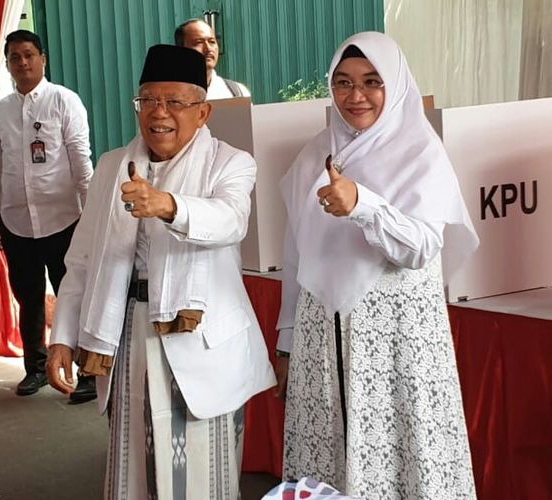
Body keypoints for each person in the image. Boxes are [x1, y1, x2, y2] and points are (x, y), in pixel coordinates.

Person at [47, 44, 275, 499]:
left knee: (201, 479)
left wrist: (168, 206)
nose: (159, 113)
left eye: (174, 102)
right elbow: (83, 261)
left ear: (203, 111)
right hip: (128, 331)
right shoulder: (113, 166)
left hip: (202, 342)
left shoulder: (231, 162)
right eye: (148, 100)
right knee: (134, 470)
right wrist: (62, 337)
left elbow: (231, 221)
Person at [275, 31, 479, 499]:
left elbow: (422, 247)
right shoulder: (315, 154)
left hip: (397, 342)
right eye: (342, 83)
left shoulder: (420, 153)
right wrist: (287, 342)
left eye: (371, 81)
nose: (356, 96)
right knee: (328, 454)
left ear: (395, 84)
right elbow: (295, 255)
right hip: (322, 339)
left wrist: (363, 204)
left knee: (405, 457)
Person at [0, 29, 95, 398]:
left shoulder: (64, 101)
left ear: (43, 58)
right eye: (15, 57)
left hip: (65, 218)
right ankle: (34, 367)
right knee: (28, 296)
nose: (23, 62)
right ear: (7, 63)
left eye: (29, 55)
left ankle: (87, 373)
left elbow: (82, 161)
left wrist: (91, 214)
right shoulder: (0, 110)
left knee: (72, 293)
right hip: (17, 221)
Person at [174, 19, 251, 100]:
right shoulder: (167, 96)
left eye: (212, 42)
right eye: (199, 42)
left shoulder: (238, 93)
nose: (208, 48)